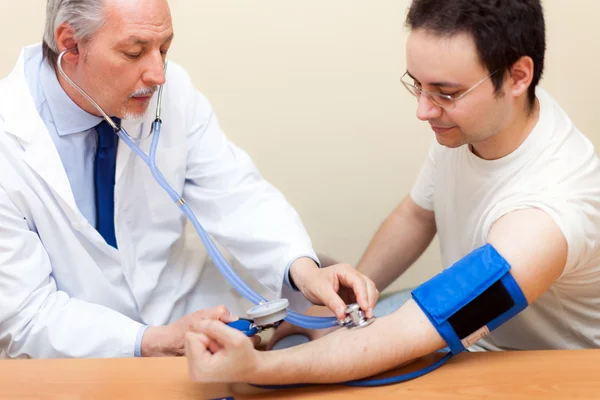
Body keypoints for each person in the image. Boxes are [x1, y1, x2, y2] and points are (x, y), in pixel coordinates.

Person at [185, 0, 600, 385]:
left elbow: (419, 328)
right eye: (417, 85)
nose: (423, 110)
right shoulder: (486, 120)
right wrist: (341, 306)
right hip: (466, 338)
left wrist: (259, 367)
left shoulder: (547, 217)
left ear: (518, 76)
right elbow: (418, 214)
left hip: (543, 370)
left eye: (446, 92)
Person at [0, 0, 379, 359]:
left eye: (164, 48)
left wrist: (303, 270)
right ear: (71, 45)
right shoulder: (8, 139)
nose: (158, 74)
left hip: (194, 322)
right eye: (135, 52)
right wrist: (151, 341)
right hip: (79, 361)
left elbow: (235, 193)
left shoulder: (170, 93)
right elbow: (26, 314)